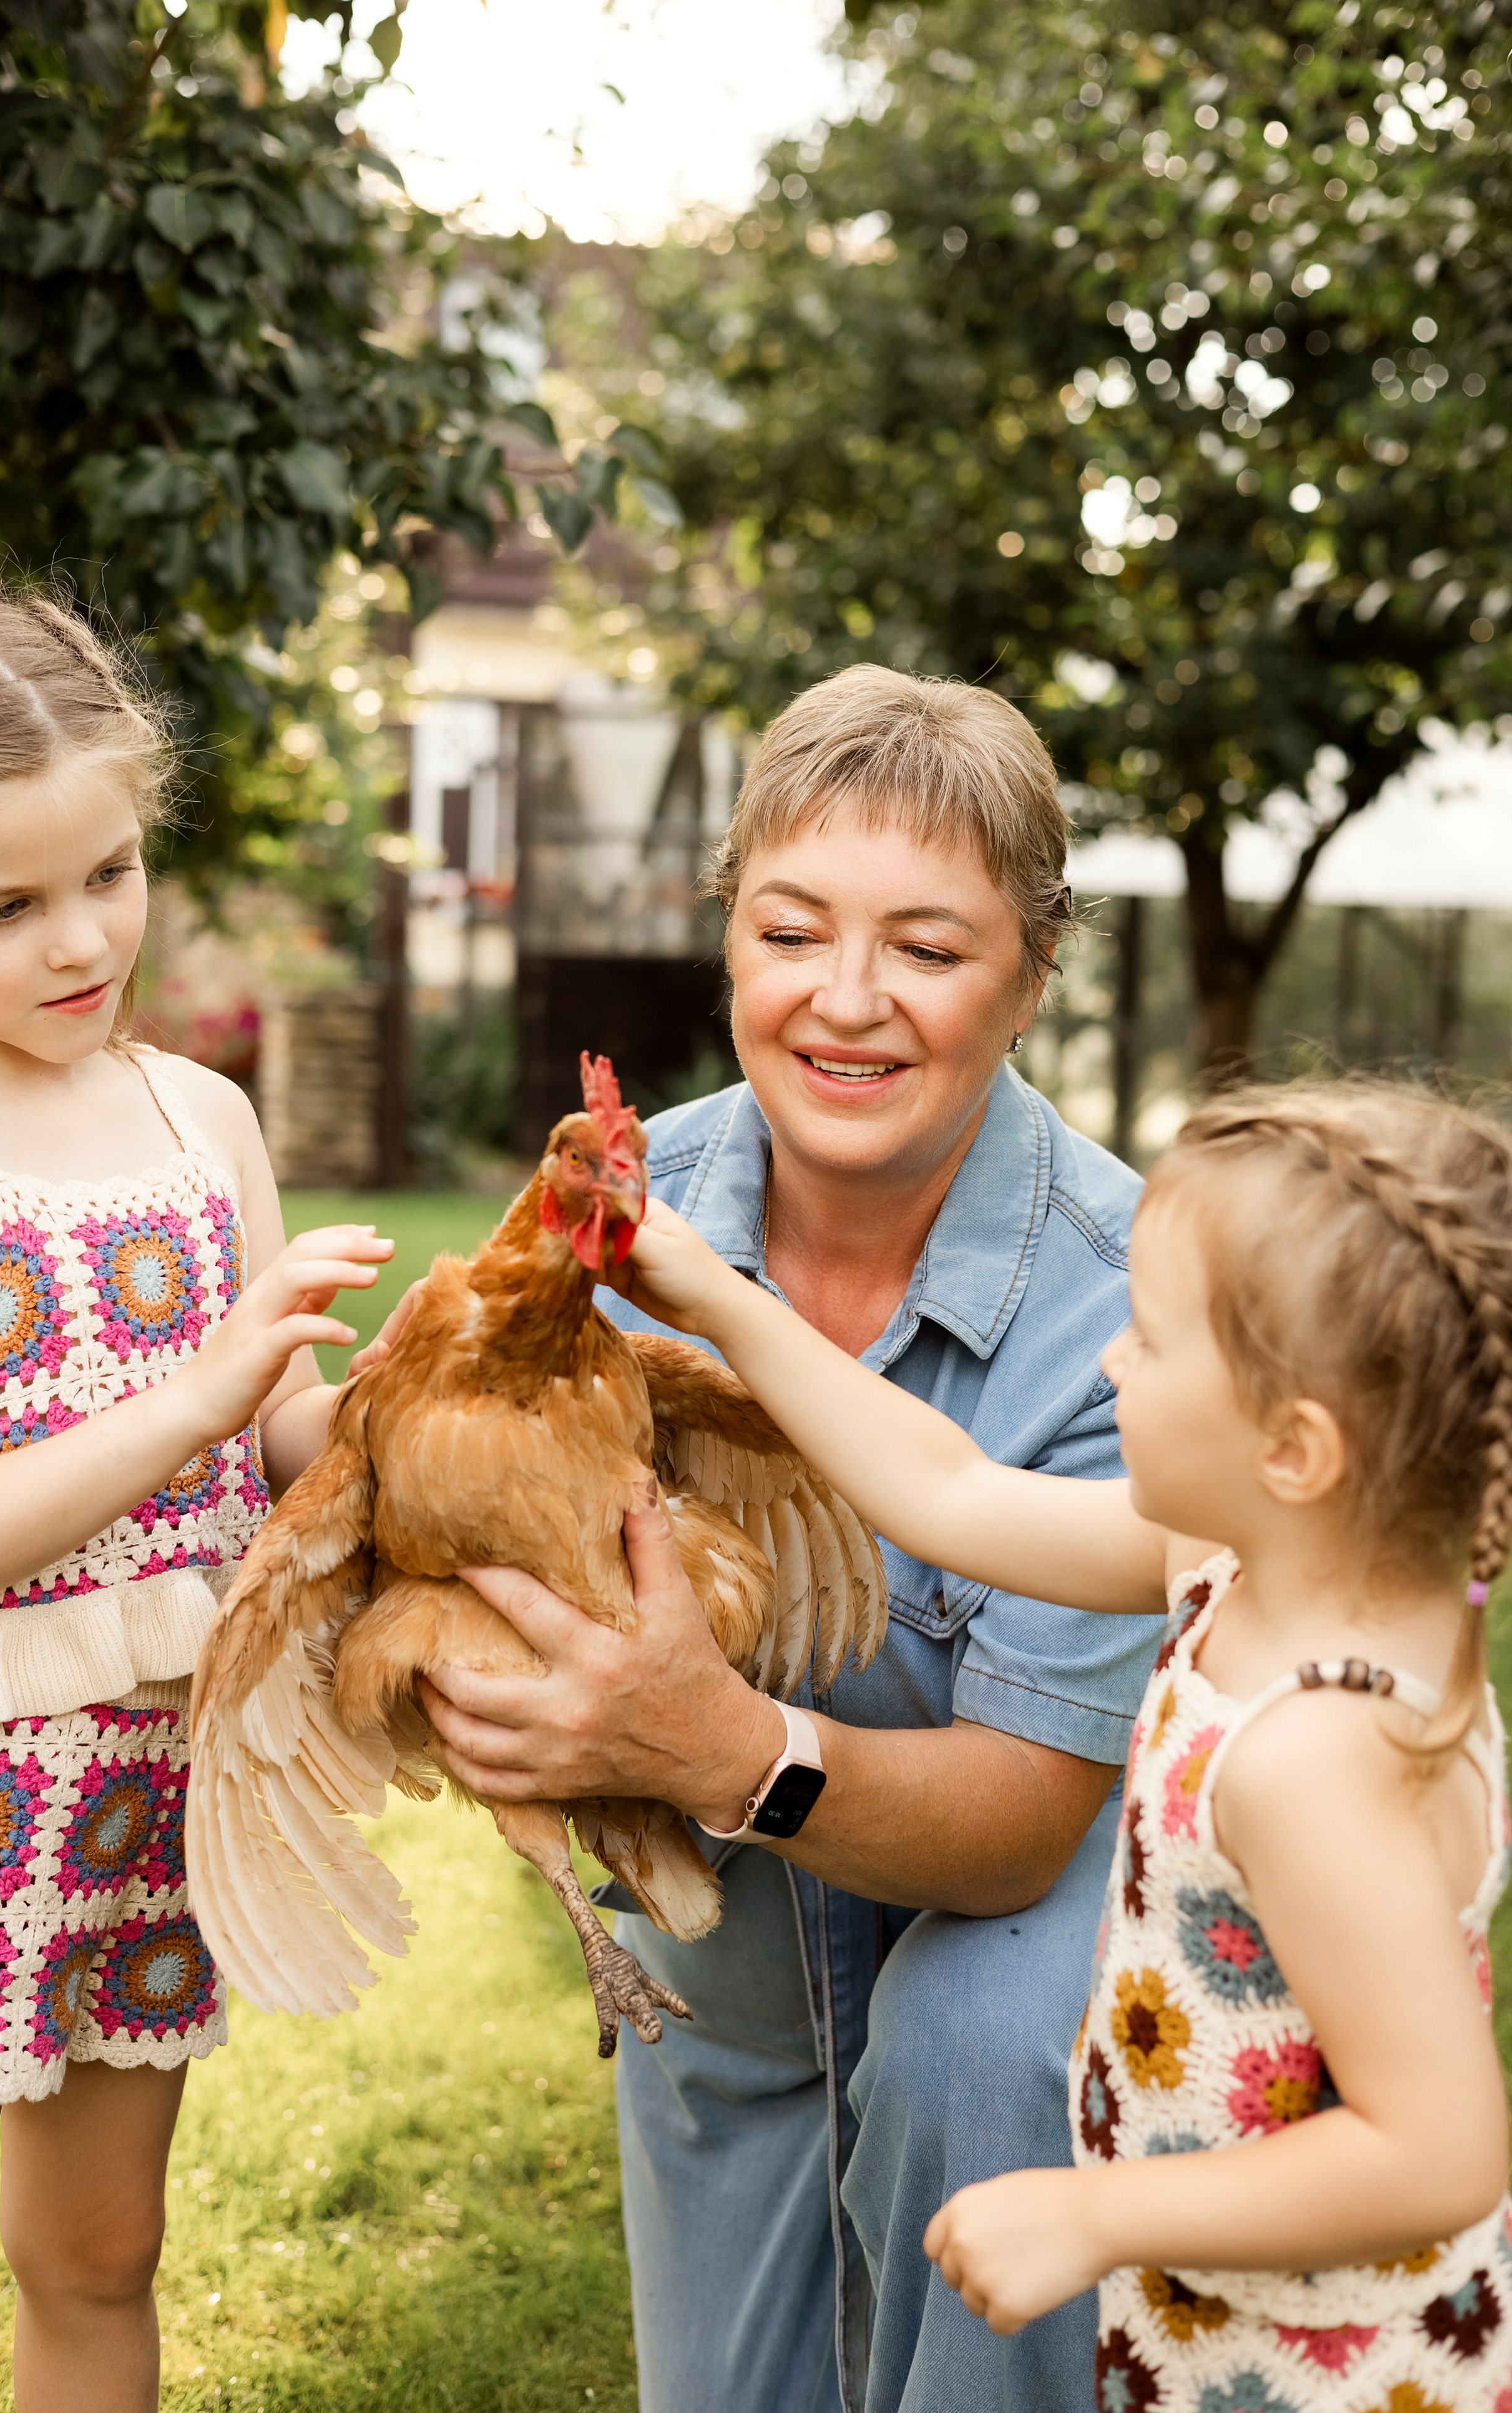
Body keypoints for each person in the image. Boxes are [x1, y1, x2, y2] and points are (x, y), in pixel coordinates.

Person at [414, 665, 1166, 2412]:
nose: (847, 1002)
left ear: (1036, 973)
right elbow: (406, 1455)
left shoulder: (1135, 1317)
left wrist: (725, 1747)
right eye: (792, 930)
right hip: (735, 1978)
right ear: (728, 938)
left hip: (1024, 1945)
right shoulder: (613, 1203)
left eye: (927, 946)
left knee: (971, 2044)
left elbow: (1015, 1831)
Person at [620, 1077, 1512, 2411]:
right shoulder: (1229, 1560)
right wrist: (721, 1300)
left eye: (1149, 1342)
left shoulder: (1313, 1759)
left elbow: (1437, 2152)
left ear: (1293, 1448)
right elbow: (947, 1491)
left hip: (1322, 2369)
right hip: (1212, 2324)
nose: (1106, 1360)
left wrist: (1101, 2219)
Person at [0, 586, 390, 2410]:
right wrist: (195, 1392)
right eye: (4, 906)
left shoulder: (204, 1118)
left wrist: (417, 1425)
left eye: (109, 872)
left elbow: (276, 1441)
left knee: (100, 2255)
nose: (78, 938)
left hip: (152, 1784)